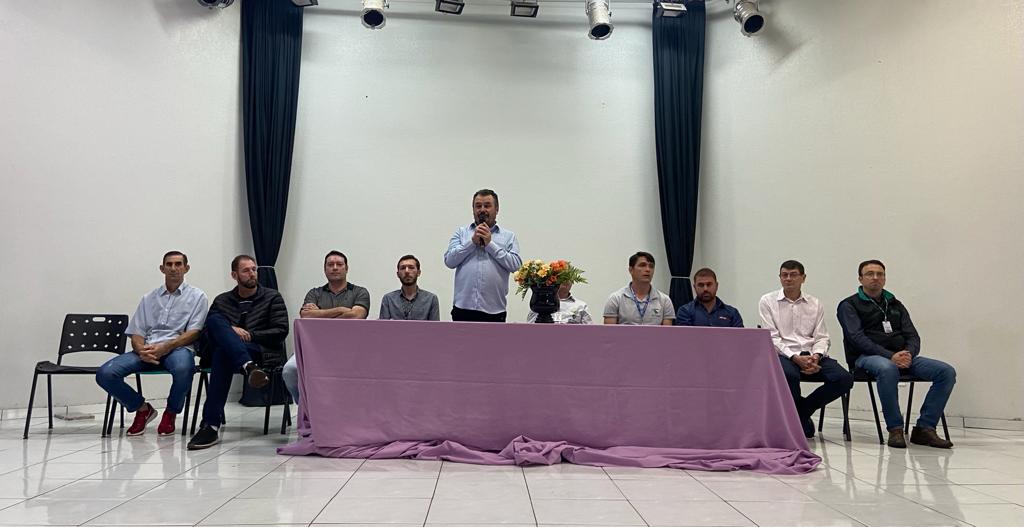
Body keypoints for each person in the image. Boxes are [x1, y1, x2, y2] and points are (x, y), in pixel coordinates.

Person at [838, 260, 956, 449]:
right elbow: (856, 338)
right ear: (860, 279)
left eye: (880, 274)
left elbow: (913, 336)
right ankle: (895, 429)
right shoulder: (849, 305)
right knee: (887, 369)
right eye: (870, 274)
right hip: (866, 358)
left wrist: (908, 354)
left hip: (901, 357)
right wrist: (889, 356)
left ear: (884, 278)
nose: (875, 278)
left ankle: (925, 428)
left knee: (945, 372)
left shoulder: (895, 304)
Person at [95, 251, 208, 436]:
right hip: (148, 349)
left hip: (178, 349)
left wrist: (166, 347)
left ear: (186, 268)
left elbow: (194, 332)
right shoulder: (149, 298)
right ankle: (142, 409)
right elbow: (137, 333)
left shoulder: (198, 296)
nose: (173, 268)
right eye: (169, 264)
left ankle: (171, 413)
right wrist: (141, 350)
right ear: (162, 269)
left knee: (184, 369)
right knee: (105, 373)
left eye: (178, 264)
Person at [187, 255, 289, 450]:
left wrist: (250, 335)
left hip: (260, 351)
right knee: (215, 323)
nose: (252, 273)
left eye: (254, 269)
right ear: (234, 275)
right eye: (246, 270)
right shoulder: (222, 300)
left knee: (222, 353)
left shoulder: (272, 297)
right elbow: (208, 332)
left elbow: (281, 330)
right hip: (234, 356)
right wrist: (231, 330)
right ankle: (248, 367)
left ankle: (210, 425)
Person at [759, 260, 853, 439]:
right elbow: (772, 337)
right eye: (784, 275)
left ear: (803, 278)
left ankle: (801, 412)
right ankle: (799, 420)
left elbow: (822, 337)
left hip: (812, 355)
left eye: (793, 275)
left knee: (844, 379)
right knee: (789, 375)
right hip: (784, 355)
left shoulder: (815, 303)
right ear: (780, 278)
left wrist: (816, 356)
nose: (788, 279)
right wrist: (794, 357)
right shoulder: (767, 301)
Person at [282, 251, 370, 406]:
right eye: (330, 265)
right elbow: (306, 316)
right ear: (325, 269)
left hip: (350, 349)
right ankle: (306, 406)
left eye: (339, 264)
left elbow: (356, 316)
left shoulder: (360, 292)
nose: (335, 268)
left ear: (346, 268)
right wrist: (341, 310)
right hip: (314, 347)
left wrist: (320, 314)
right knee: (290, 370)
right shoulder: (314, 293)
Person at [444, 189, 522, 322]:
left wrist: (490, 245)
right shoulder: (461, 233)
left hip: (495, 310)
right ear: (473, 209)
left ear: (497, 209)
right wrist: (471, 243)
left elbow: (516, 266)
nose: (482, 210)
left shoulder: (509, 237)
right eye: (478, 206)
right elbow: (449, 261)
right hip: (463, 309)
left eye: (487, 205)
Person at [603, 252, 674, 325]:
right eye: (642, 265)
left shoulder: (664, 300)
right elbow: (609, 331)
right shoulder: (616, 299)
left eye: (651, 266)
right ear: (631, 270)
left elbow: (667, 331)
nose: (648, 269)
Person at [673, 268, 743, 327]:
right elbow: (684, 337)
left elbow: (740, 337)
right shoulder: (685, 311)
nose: (705, 289)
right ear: (694, 287)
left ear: (716, 286)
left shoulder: (732, 313)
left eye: (709, 284)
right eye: (701, 285)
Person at [379, 255, 440, 321]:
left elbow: (435, 327)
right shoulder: (388, 299)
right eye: (403, 268)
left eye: (411, 267)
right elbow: (382, 326)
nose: (407, 271)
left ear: (419, 273)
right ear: (398, 274)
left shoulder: (431, 299)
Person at [527, 281, 593, 324]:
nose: (565, 281)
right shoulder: (540, 304)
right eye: (562, 278)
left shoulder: (581, 306)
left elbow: (590, 331)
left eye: (569, 278)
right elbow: (530, 329)